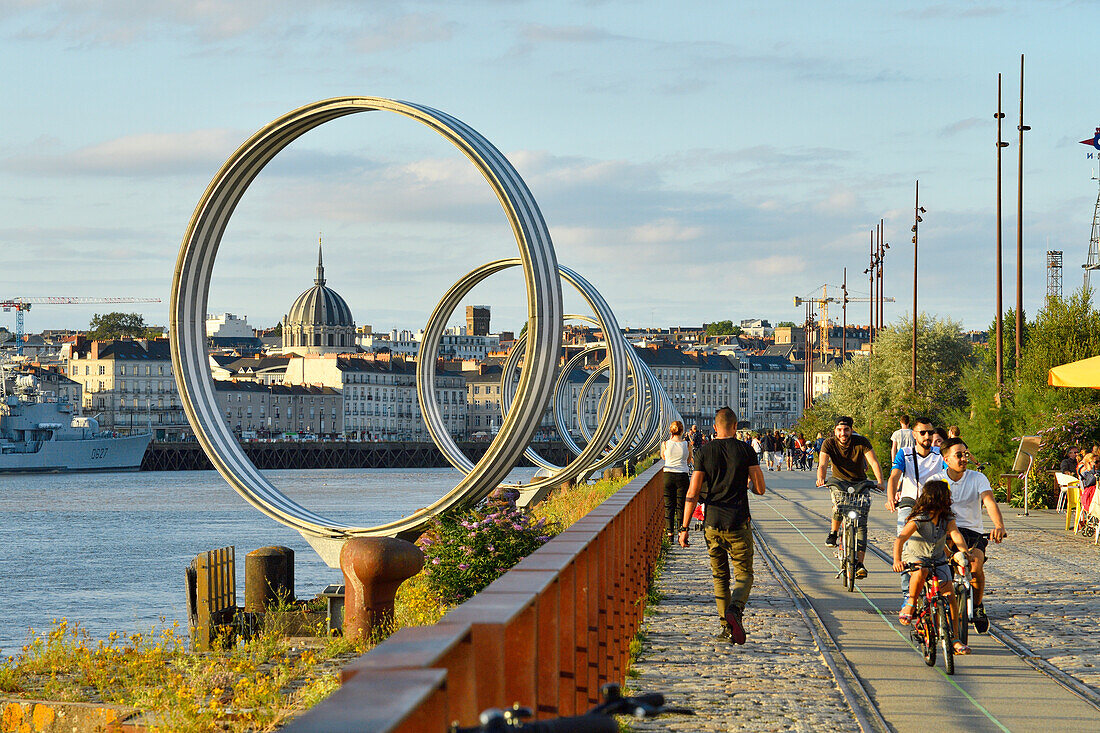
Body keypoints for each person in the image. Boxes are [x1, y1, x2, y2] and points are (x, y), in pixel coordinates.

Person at [679, 407, 766, 645]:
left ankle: (726, 628)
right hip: (738, 521)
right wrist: (747, 482)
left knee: (720, 576)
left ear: (715, 428)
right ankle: (736, 609)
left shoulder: (704, 452)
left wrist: (684, 527)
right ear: (736, 427)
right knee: (744, 574)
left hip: (712, 523)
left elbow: (693, 492)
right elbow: (760, 489)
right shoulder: (746, 450)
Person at [928, 438, 1007, 633]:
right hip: (945, 532)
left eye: (966, 454)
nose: (964, 458)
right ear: (946, 459)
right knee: (942, 570)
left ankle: (978, 606)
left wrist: (999, 525)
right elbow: (930, 512)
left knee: (976, 565)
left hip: (973, 532)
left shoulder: (977, 478)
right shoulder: (936, 480)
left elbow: (989, 502)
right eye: (958, 455)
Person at [892, 479, 971, 654]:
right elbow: (900, 539)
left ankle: (955, 639)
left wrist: (965, 552)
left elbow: (955, 534)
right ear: (938, 498)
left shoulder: (947, 518)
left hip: (938, 558)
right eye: (947, 496)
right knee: (921, 570)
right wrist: (897, 560)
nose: (950, 498)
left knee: (950, 596)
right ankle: (911, 603)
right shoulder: (919, 518)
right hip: (916, 556)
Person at [817, 416, 885, 578]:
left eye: (846, 430)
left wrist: (880, 481)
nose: (843, 433)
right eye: (839, 430)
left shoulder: (861, 442)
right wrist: (820, 477)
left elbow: (874, 462)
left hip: (860, 482)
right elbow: (822, 464)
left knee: (861, 523)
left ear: (851, 430)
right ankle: (833, 533)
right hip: (838, 481)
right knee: (839, 506)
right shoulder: (829, 443)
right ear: (835, 431)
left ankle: (860, 564)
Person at [661, 420, 693, 542]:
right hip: (682, 476)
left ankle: (670, 534)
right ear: (682, 431)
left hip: (668, 475)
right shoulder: (687, 444)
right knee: (681, 505)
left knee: (669, 505)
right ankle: (681, 531)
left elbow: (664, 457)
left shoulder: (665, 444)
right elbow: (689, 460)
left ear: (671, 431)